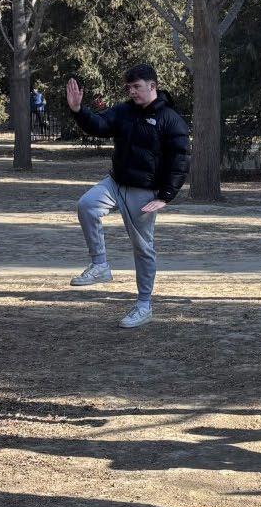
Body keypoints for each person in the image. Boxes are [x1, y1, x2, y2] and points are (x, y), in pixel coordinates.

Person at [65, 65, 190, 329]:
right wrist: (78, 110)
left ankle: (144, 305)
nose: (132, 92)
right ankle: (100, 265)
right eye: (129, 87)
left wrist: (166, 196)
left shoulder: (170, 119)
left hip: (144, 192)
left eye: (137, 87)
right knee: (87, 205)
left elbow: (180, 160)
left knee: (143, 249)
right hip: (115, 182)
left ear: (152, 86)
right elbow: (99, 125)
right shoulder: (123, 111)